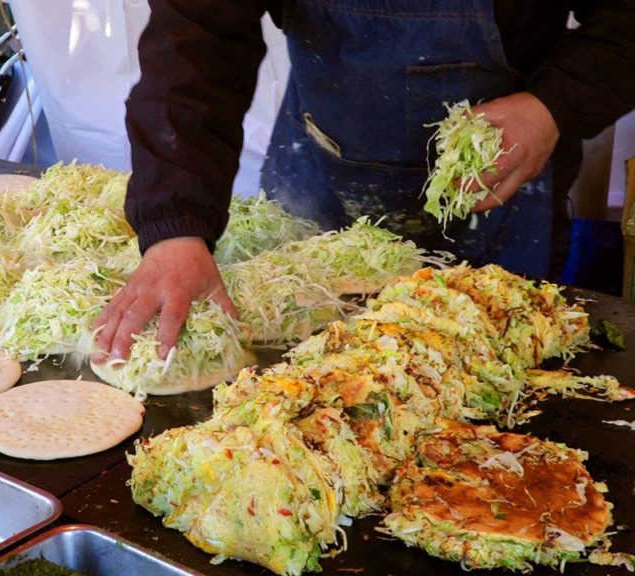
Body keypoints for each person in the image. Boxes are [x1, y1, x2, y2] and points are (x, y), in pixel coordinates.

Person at [93, 0, 635, 363]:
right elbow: (196, 38)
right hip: (324, 160)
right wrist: (175, 226)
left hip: (501, 177)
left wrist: (552, 106)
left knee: (489, 386)